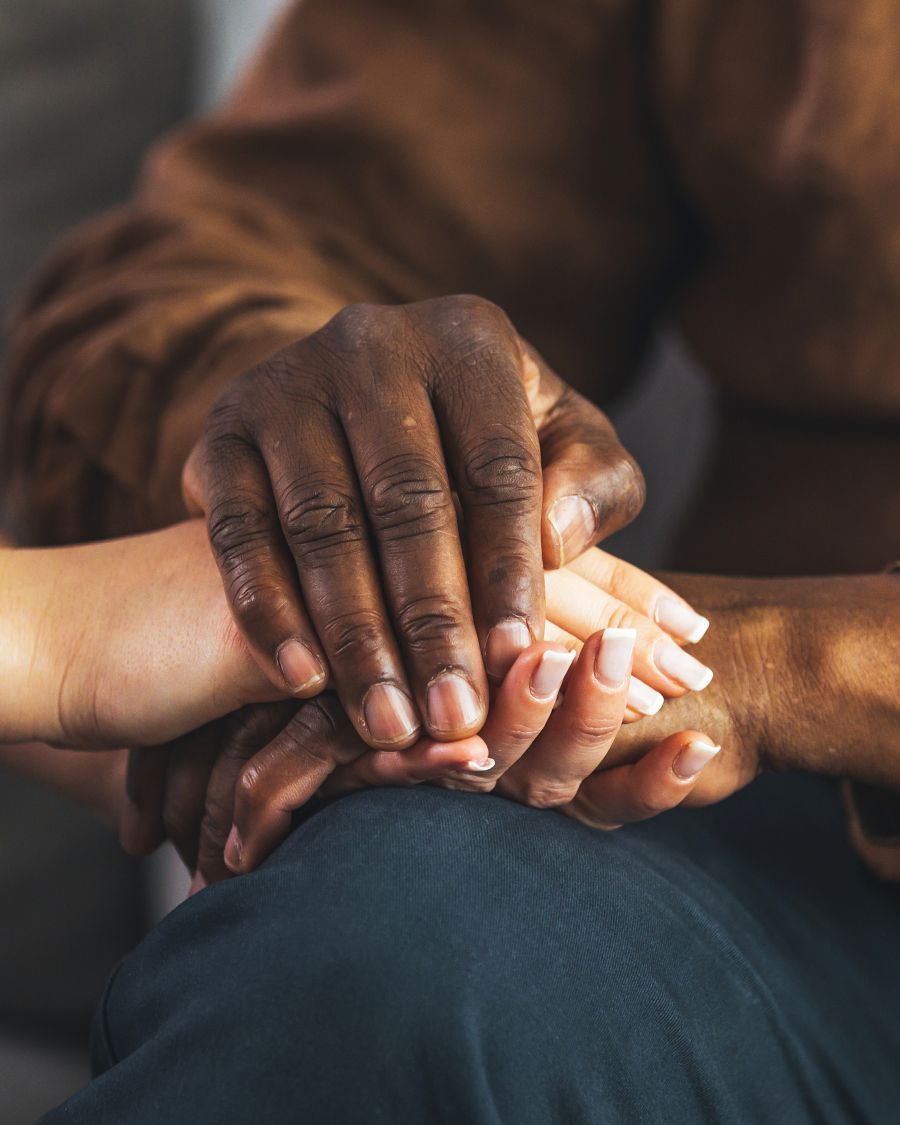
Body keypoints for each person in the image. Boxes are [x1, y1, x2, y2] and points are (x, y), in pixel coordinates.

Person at [2, 1, 898, 1120]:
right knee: (389, 941)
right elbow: (238, 252)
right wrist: (326, 514)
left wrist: (790, 669)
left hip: (711, 728)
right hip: (770, 868)